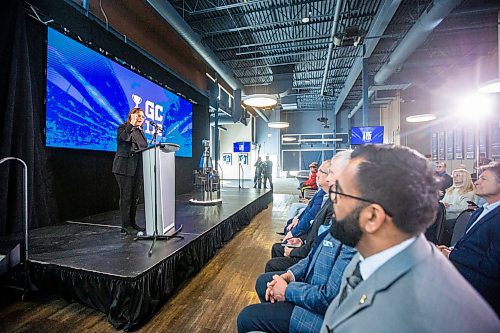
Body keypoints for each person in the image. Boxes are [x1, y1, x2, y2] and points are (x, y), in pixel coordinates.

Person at [321, 144, 499, 333]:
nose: (332, 201)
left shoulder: (403, 318)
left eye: (338, 192)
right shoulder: (373, 255)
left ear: (373, 217)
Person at [237, 221, 356, 333]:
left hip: (320, 317)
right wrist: (289, 275)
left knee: (245, 318)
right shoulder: (340, 220)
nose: (335, 199)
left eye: (340, 197)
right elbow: (311, 257)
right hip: (311, 286)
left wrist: (286, 291)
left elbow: (328, 298)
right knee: (263, 283)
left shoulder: (354, 237)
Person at [266, 150, 352, 273]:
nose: (328, 178)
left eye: (331, 173)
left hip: (311, 260)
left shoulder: (336, 208)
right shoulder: (328, 200)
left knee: (269, 269)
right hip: (308, 248)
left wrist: (294, 253)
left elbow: (318, 249)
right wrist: (301, 239)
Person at [438, 162, 500, 315]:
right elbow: (468, 244)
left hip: (481, 286)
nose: (476, 182)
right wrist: (449, 249)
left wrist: (452, 255)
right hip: (462, 272)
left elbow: (493, 267)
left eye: (483, 179)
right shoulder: (479, 212)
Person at [112, 107, 148, 235]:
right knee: (126, 197)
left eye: (142, 117)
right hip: (124, 167)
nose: (140, 119)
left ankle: (133, 223)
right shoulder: (123, 128)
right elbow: (125, 138)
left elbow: (145, 147)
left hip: (137, 167)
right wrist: (131, 124)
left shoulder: (141, 131)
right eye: (138, 115)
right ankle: (125, 226)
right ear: (131, 116)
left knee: (135, 197)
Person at [441, 168, 476, 239]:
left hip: (457, 219)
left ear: (465, 178)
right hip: (445, 216)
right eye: (453, 175)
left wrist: (447, 206)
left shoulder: (469, 193)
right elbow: (443, 202)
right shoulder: (450, 190)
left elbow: (464, 207)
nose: (454, 177)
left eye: (458, 175)